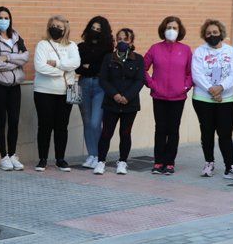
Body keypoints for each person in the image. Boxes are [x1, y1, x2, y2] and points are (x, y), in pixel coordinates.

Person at [191, 19, 233, 180]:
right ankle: (209, 163)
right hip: (203, 99)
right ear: (204, 36)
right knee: (206, 132)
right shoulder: (200, 52)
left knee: (225, 134)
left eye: (215, 32)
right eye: (208, 33)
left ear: (221, 33)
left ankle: (230, 166)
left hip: (225, 99)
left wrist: (220, 88)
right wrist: (211, 90)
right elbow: (196, 73)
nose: (212, 35)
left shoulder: (231, 51)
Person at [144, 16, 192, 175]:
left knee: (173, 129)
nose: (171, 30)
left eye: (175, 28)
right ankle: (158, 162)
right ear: (163, 29)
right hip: (159, 96)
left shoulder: (185, 50)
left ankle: (170, 162)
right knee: (160, 129)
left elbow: (191, 73)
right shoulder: (155, 48)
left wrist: (184, 87)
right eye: (168, 27)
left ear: (180, 31)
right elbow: (142, 68)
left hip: (178, 97)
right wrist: (152, 85)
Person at [33, 15, 81, 172]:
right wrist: (63, 71)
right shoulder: (42, 44)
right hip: (44, 92)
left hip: (65, 92)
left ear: (65, 29)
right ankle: (43, 159)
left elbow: (76, 63)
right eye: (53, 25)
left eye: (59, 27)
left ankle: (60, 159)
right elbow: (40, 67)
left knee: (62, 126)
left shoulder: (72, 46)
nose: (56, 29)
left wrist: (57, 64)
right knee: (45, 126)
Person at [94, 28, 145, 175]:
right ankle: (100, 161)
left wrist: (127, 96)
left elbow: (139, 80)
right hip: (111, 102)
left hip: (130, 103)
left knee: (125, 133)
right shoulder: (109, 58)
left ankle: (122, 162)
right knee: (106, 133)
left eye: (125, 39)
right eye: (119, 39)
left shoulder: (138, 59)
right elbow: (103, 79)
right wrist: (115, 94)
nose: (122, 42)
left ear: (131, 42)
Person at [0, 6, 29, 171]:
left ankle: (12, 154)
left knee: (14, 121)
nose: (4, 21)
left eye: (6, 17)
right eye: (0, 18)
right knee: (1, 121)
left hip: (15, 86)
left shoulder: (17, 37)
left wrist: (8, 57)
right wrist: (14, 63)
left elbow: (25, 57)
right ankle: (3, 156)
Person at [76, 16, 114, 169]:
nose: (95, 31)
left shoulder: (108, 49)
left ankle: (99, 155)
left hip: (100, 86)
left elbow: (102, 69)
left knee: (95, 122)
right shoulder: (81, 46)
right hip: (83, 83)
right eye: (93, 28)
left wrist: (88, 65)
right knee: (86, 122)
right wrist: (89, 66)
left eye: (99, 29)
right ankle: (91, 155)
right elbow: (77, 67)